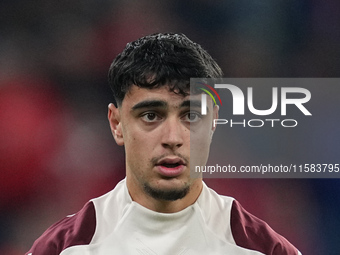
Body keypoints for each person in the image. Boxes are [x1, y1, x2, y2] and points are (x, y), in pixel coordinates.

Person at [26, 33, 301, 255]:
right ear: (117, 124)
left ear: (214, 122)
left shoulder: (265, 249)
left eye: (191, 116)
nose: (172, 138)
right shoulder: (62, 248)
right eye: (150, 115)